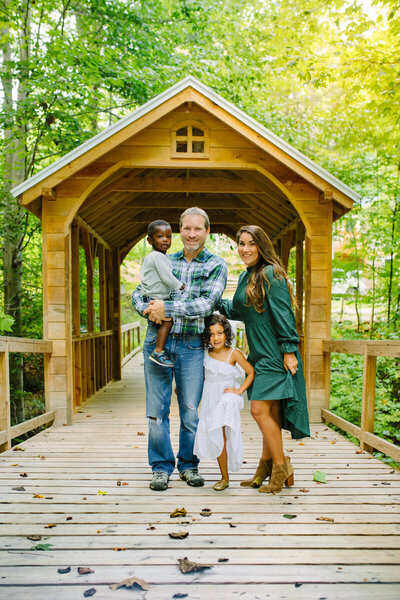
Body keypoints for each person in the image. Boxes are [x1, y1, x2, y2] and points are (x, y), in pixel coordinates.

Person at [132, 207, 228, 491]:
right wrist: (149, 309)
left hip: (190, 345)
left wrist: (167, 307)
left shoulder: (215, 264)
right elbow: (140, 292)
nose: (192, 234)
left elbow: (206, 304)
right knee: (156, 412)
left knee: (189, 410)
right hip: (156, 342)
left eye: (198, 228)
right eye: (186, 228)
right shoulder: (163, 259)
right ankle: (161, 468)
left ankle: (189, 465)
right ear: (179, 230)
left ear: (207, 231)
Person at [218, 225, 310, 494]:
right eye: (241, 243)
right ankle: (266, 466)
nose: (245, 249)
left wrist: (290, 350)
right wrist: (210, 300)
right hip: (258, 353)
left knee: (258, 410)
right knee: (268, 412)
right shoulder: (249, 276)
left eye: (251, 244)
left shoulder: (271, 274)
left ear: (262, 246)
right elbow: (236, 310)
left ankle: (282, 467)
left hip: (274, 353)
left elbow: (284, 314)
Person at [194, 314, 255, 491]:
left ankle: (224, 477)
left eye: (219, 333)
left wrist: (239, 391)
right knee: (216, 434)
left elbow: (250, 372)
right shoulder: (206, 354)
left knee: (222, 431)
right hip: (210, 397)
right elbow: (202, 377)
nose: (216, 338)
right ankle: (224, 477)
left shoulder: (233, 353)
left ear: (227, 334)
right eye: (211, 334)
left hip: (227, 397)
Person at [140, 220, 185, 368]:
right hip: (154, 298)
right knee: (168, 321)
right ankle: (158, 351)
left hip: (154, 296)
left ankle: (159, 349)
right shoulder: (157, 257)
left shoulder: (158, 256)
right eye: (160, 237)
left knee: (164, 321)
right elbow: (167, 277)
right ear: (150, 240)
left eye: (169, 236)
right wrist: (181, 287)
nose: (165, 239)